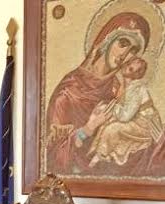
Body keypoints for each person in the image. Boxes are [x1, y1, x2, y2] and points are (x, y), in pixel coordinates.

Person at [45, 11, 165, 177]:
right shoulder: (69, 92)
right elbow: (52, 157)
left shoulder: (124, 88)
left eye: (133, 50)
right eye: (123, 43)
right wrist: (88, 129)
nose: (125, 54)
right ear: (106, 40)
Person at [89, 58, 163, 167]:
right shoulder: (126, 86)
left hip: (145, 125)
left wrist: (112, 108)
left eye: (131, 68)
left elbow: (125, 116)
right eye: (128, 64)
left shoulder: (136, 89)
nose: (126, 67)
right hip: (135, 119)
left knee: (112, 128)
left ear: (136, 74)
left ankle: (98, 158)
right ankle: (97, 154)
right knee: (106, 122)